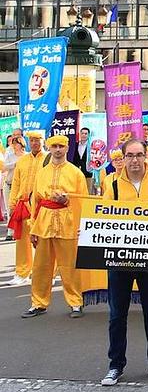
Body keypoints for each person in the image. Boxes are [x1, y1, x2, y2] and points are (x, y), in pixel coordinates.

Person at [100, 138, 148, 386]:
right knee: (117, 315)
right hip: (120, 259)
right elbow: (103, 218)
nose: (135, 160)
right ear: (122, 158)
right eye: (130, 155)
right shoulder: (111, 183)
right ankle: (115, 365)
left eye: (139, 155)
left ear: (146, 156)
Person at [22, 135, 88, 319]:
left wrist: (68, 200)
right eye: (54, 146)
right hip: (44, 222)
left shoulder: (76, 173)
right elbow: (35, 201)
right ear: (49, 148)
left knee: (70, 266)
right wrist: (33, 226)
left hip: (68, 223)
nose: (58, 149)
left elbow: (83, 200)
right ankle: (38, 303)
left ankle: (76, 303)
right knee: (41, 266)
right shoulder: (41, 173)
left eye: (61, 146)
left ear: (67, 148)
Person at [8, 132, 45, 286]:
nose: (35, 143)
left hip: (42, 205)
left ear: (43, 141)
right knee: (22, 240)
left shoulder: (49, 159)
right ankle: (22, 272)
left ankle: (45, 272)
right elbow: (16, 182)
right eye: (32, 140)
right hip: (23, 204)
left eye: (37, 140)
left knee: (43, 241)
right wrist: (12, 203)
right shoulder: (22, 160)